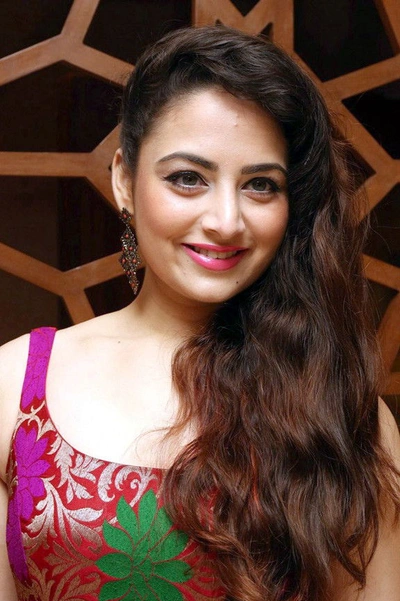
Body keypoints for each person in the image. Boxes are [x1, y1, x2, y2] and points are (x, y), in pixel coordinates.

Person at [0, 25, 399, 601]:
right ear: (124, 180)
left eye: (260, 185)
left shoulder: (342, 409)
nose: (226, 221)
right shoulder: (16, 387)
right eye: (188, 179)